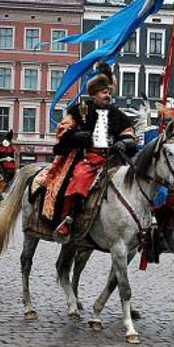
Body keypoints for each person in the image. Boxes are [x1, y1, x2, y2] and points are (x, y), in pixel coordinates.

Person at [41, 63, 137, 243]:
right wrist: (77, 135)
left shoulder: (118, 115)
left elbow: (130, 134)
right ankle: (68, 218)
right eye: (103, 92)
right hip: (87, 158)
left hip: (112, 161)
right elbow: (63, 131)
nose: (107, 95)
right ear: (94, 95)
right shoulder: (79, 110)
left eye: (109, 92)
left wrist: (125, 143)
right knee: (79, 178)